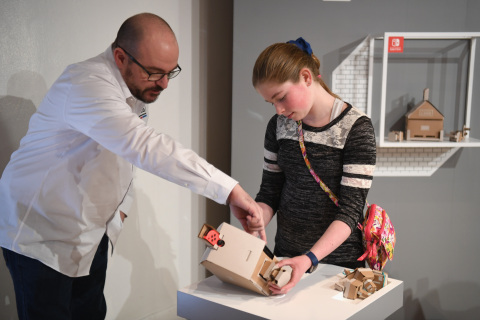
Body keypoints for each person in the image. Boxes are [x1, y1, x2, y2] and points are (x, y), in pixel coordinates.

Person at [0, 13, 265, 319]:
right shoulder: (86, 84)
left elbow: (123, 154)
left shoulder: (133, 87)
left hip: (91, 235)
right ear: (120, 57)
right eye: (154, 73)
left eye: (170, 72)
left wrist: (121, 206)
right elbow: (144, 146)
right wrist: (230, 191)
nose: (164, 84)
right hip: (43, 237)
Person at [251, 37, 376, 294]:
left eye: (281, 97)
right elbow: (270, 192)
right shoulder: (278, 125)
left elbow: (351, 211)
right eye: (271, 103)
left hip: (338, 266)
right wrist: (254, 223)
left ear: (306, 77)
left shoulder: (356, 128)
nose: (278, 109)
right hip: (285, 259)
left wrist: (308, 259)